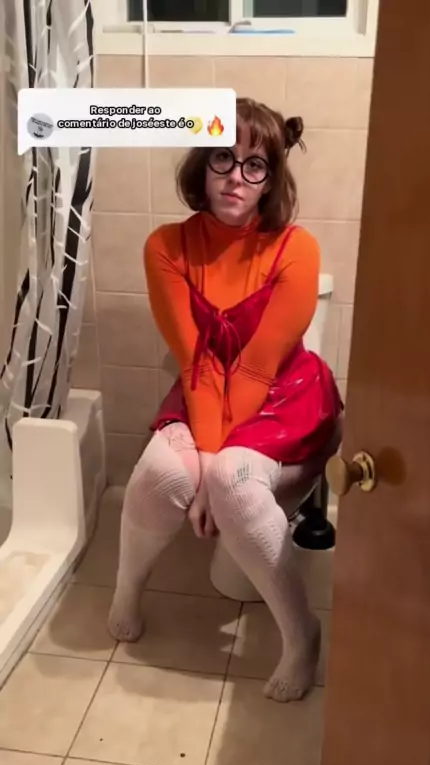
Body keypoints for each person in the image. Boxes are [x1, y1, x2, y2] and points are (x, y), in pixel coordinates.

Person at [108, 97, 343, 702]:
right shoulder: (166, 245)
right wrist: (204, 466)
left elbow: (260, 366)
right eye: (223, 158)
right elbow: (196, 362)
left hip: (285, 394)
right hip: (205, 387)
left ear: (270, 179)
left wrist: (214, 475)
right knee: (161, 475)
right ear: (202, 163)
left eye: (254, 164)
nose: (236, 176)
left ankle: (302, 635)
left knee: (235, 483)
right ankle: (127, 588)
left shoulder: (297, 248)